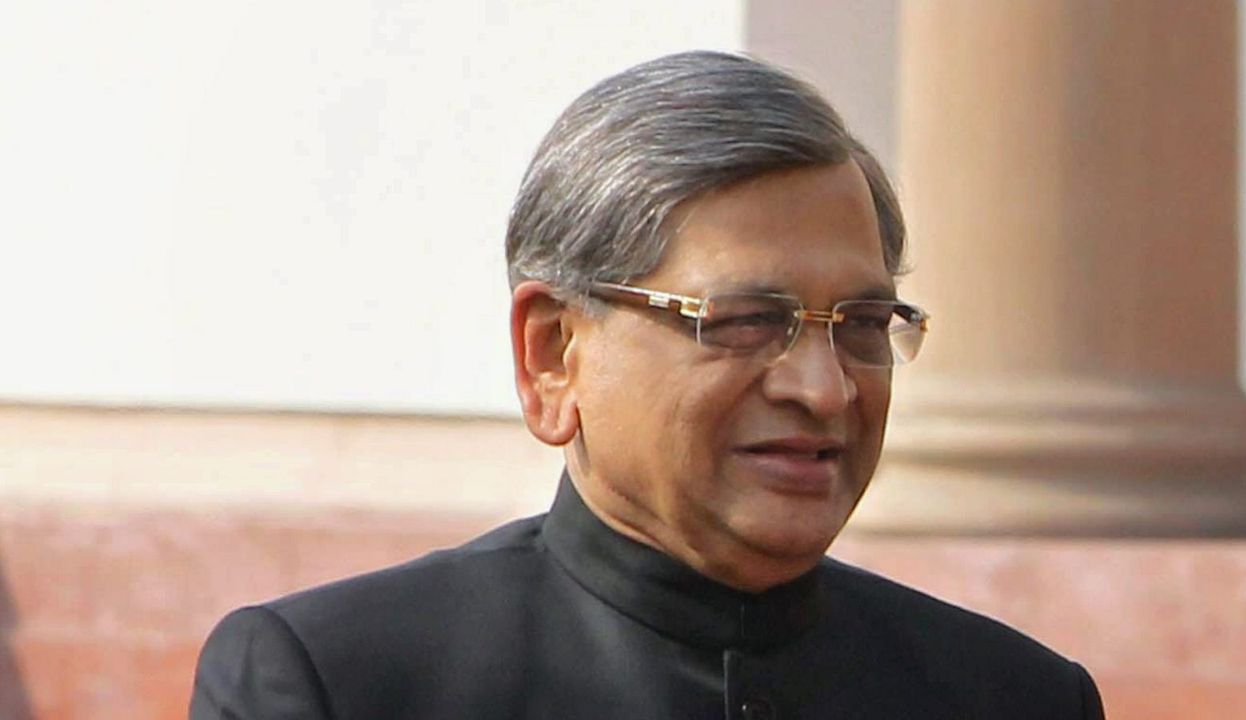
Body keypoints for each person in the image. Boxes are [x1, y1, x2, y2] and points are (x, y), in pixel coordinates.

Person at [190, 50, 1105, 719]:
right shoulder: (343, 687)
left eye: (862, 324)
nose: (825, 390)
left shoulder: (1014, 699)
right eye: (745, 320)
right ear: (554, 353)